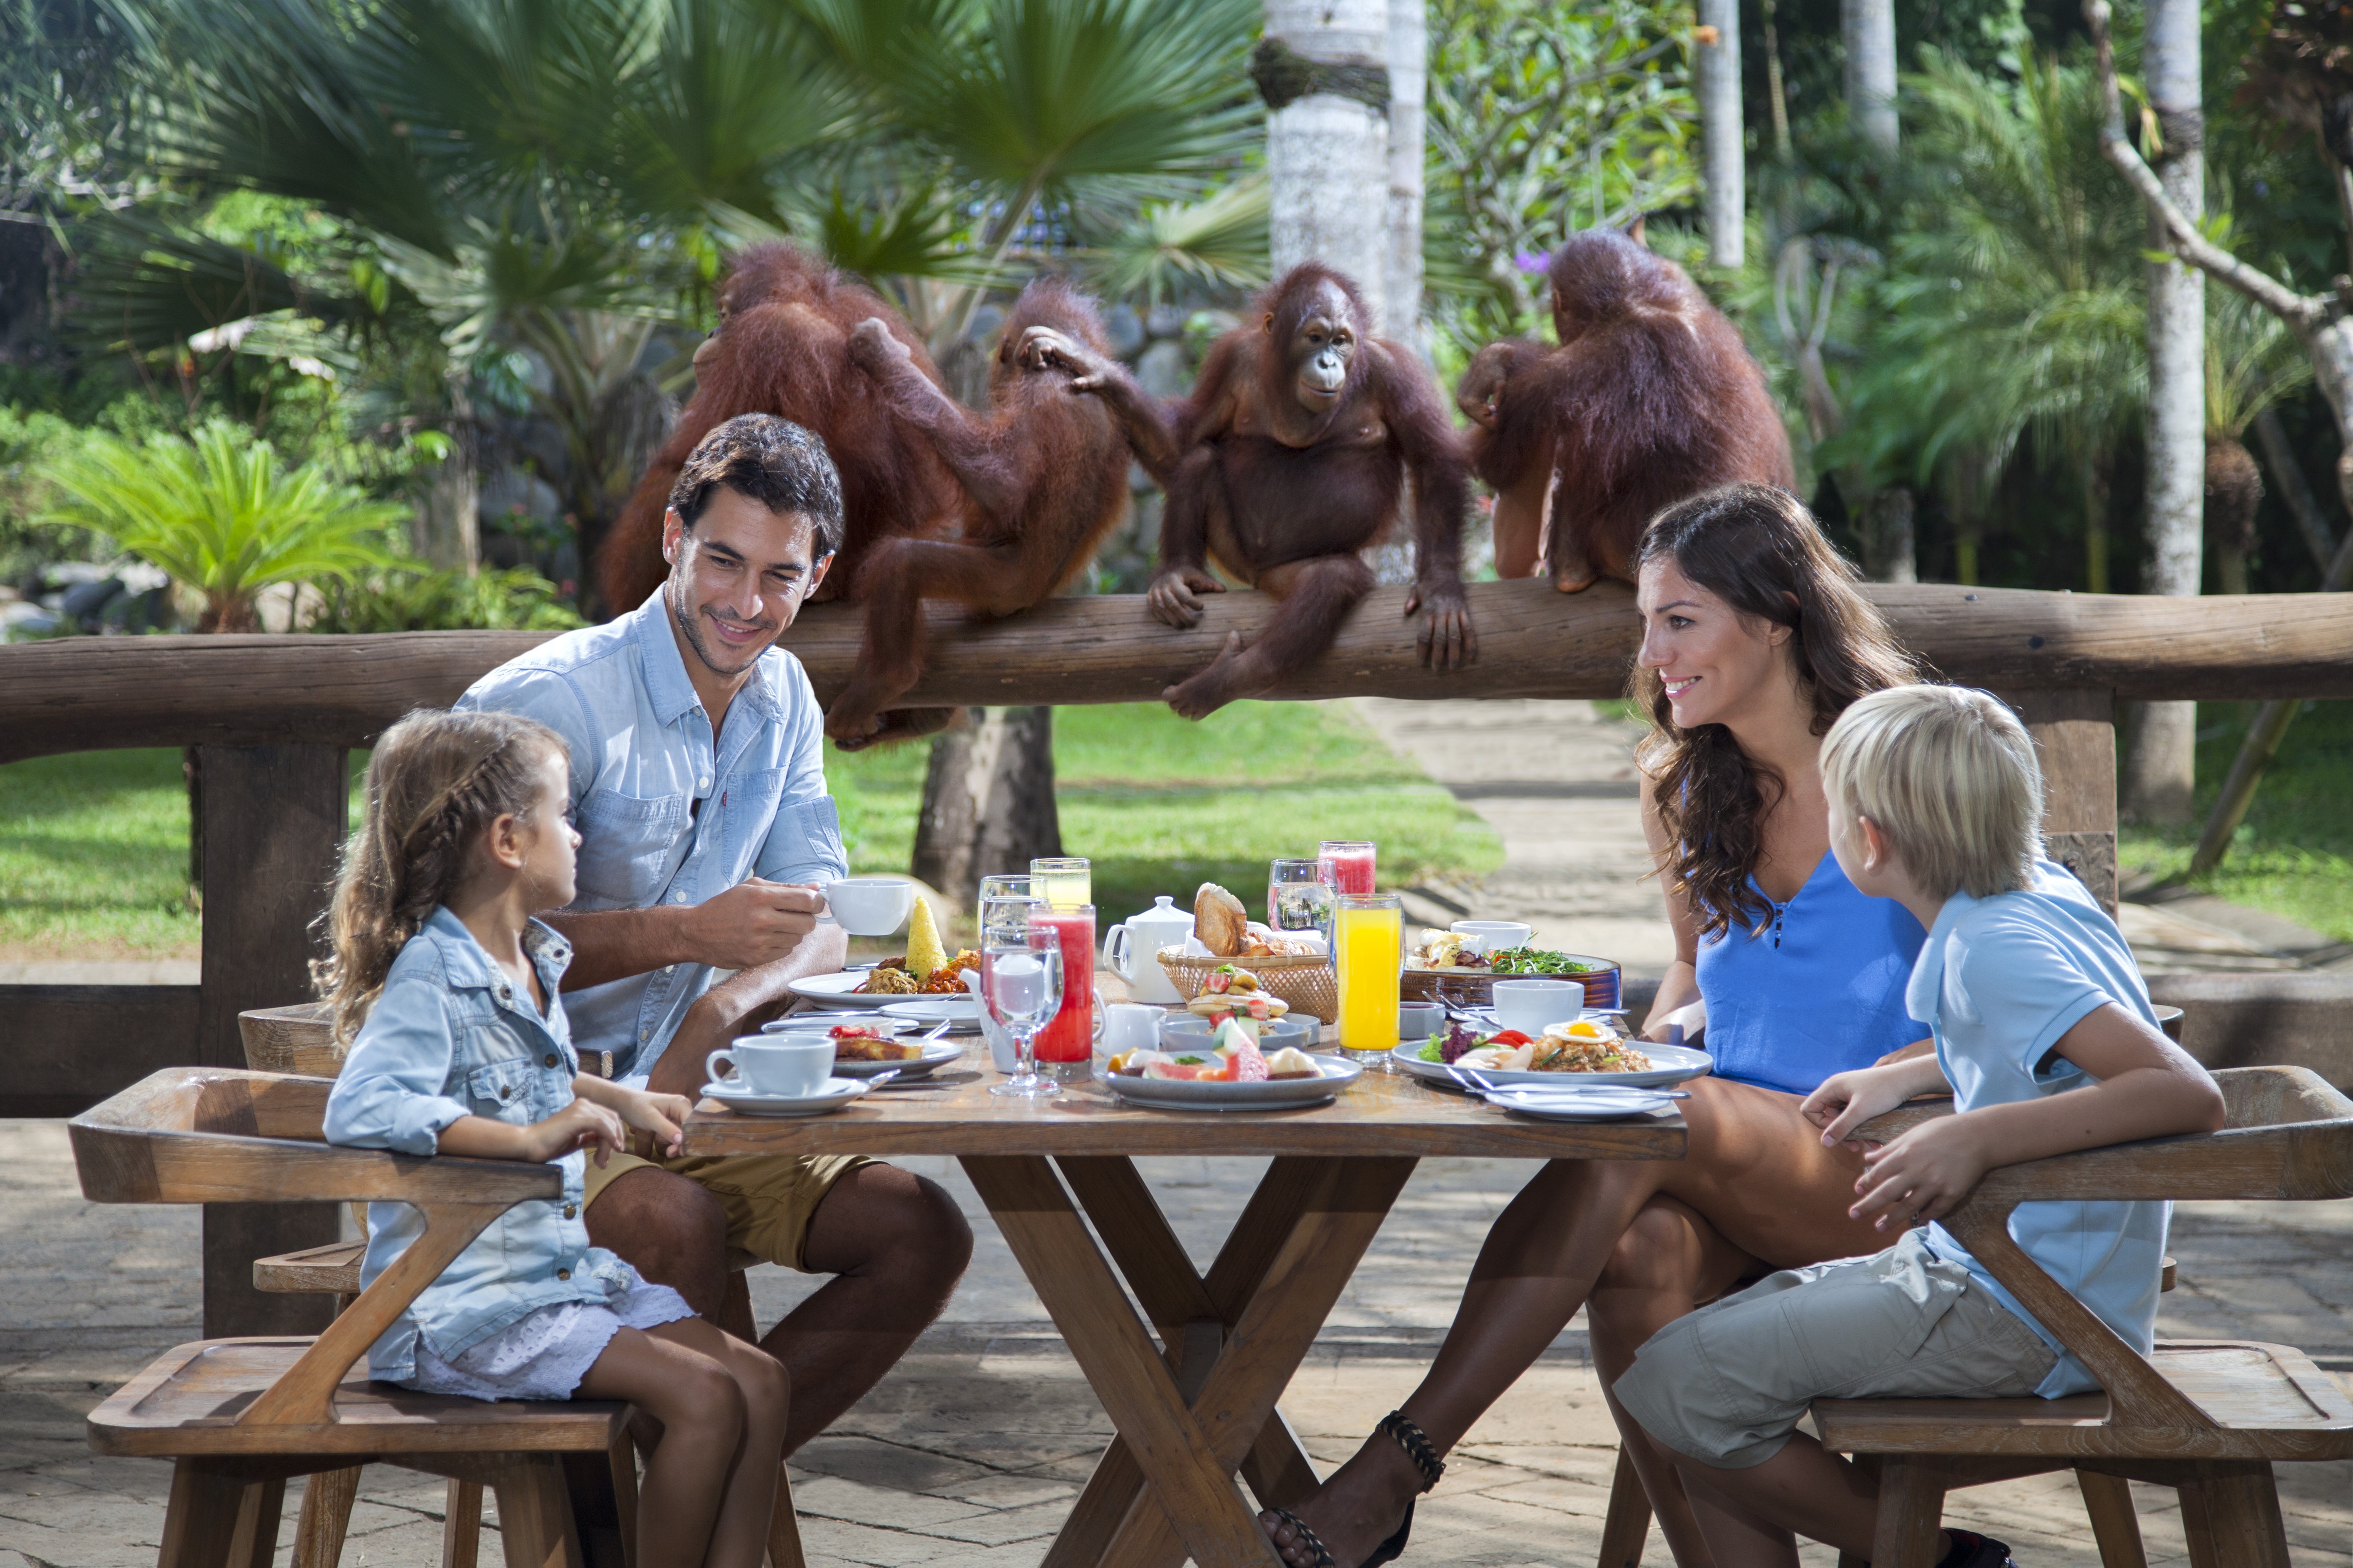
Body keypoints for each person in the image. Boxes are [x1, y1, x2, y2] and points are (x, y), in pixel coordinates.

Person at [1262, 484, 1929, 1568]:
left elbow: (2023, 980)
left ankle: (1395, 1469)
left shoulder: (1904, 765)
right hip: (1738, 1158)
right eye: (1647, 622)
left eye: (1682, 620)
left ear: (1777, 618)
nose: (1654, 654)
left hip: (1895, 1165)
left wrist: (1885, 1074)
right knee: (1636, 1251)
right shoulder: (1683, 785)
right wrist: (1653, 1037)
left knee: (1652, 1118)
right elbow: (1690, 962)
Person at [1614, 682, 2226, 1567]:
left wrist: (1974, 1136)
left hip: (2026, 1307)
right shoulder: (2028, 903)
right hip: (2018, 1281)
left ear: (1868, 841)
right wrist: (1900, 1075)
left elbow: (2182, 1092)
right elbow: (2048, 1045)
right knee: (1699, 1354)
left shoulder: (1991, 947)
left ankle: (1938, 1556)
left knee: (1676, 1384)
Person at [457, 414, 971, 1453]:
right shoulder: (551, 705)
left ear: (818, 576)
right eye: (723, 561)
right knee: (673, 1224)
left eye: (779, 576)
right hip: (521, 1118)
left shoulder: (784, 698)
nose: (745, 603)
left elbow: (821, 919)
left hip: (694, 1105)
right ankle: (673, 1502)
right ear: (672, 540)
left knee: (920, 1230)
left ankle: (701, 1483)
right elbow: (462, 949)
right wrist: (686, 934)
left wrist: (719, 1011)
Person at [321, 708, 790, 1568]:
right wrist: (531, 1140)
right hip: (462, 1310)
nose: (579, 836)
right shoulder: (433, 974)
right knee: (708, 1398)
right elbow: (363, 1106)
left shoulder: (528, 958)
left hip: (553, 1279)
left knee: (761, 1382)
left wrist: (622, 1098)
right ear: (508, 839)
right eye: (566, 815)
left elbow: (519, 1072)